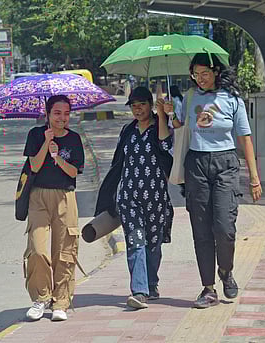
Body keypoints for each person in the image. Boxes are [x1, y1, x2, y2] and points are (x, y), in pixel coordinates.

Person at [159, 53, 262, 309]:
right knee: (201, 229)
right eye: (196, 74)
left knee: (225, 227)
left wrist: (254, 179)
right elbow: (180, 126)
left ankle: (226, 271)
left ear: (216, 71)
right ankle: (208, 288)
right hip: (196, 165)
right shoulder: (191, 96)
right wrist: (171, 113)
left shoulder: (232, 99)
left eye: (205, 73)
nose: (200, 78)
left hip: (226, 164)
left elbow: (245, 139)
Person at [95, 86, 174, 310]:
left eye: (142, 104)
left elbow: (167, 145)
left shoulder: (161, 128)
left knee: (153, 244)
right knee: (136, 241)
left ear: (150, 105)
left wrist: (162, 114)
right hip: (129, 199)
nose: (138, 109)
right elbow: (117, 163)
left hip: (156, 199)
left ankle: (151, 283)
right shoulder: (127, 131)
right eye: (134, 105)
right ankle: (139, 291)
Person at [23, 95, 85, 321]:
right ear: (48, 114)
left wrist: (57, 156)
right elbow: (35, 165)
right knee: (37, 249)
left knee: (64, 251)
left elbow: (73, 172)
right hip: (38, 196)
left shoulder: (75, 139)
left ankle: (61, 301)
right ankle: (40, 298)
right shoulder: (35, 134)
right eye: (57, 113)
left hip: (65, 197)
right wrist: (44, 144)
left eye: (67, 113)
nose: (62, 118)